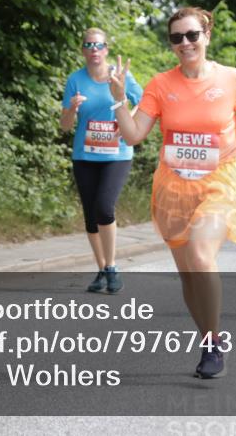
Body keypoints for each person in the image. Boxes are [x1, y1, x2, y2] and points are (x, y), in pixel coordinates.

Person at [109, 6, 236, 379]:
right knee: (189, 275)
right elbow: (133, 134)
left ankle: (213, 345)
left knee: (200, 254)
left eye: (192, 35)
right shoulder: (161, 84)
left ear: (206, 36)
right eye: (177, 37)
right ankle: (209, 337)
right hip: (174, 186)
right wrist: (118, 100)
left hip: (220, 180)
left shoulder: (231, 78)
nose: (185, 43)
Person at [61, 28, 143, 294]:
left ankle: (112, 267)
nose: (93, 50)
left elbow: (144, 104)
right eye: (88, 45)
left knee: (104, 207)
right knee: (90, 216)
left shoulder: (120, 75)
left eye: (98, 45)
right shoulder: (75, 80)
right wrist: (72, 109)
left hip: (117, 154)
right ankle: (102, 269)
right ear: (83, 50)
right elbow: (64, 126)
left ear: (106, 49)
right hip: (85, 155)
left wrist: (128, 120)